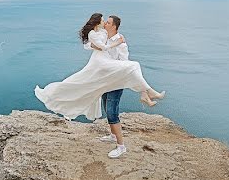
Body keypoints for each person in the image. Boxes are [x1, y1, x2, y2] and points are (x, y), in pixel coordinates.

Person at [33, 13, 166, 157]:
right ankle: (113, 135)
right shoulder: (102, 34)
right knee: (105, 107)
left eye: (108, 22)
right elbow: (89, 43)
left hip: (115, 81)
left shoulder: (121, 43)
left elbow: (124, 63)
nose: (105, 24)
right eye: (105, 21)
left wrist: (114, 48)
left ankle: (121, 146)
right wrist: (93, 45)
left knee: (112, 112)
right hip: (103, 80)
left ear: (114, 26)